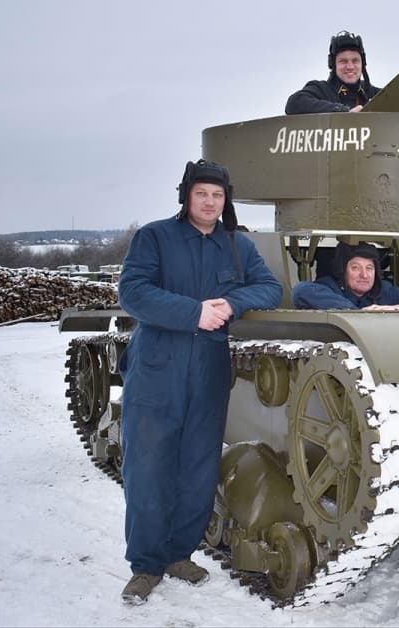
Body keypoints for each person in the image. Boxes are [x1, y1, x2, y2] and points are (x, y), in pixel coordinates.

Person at [116, 159, 283, 605]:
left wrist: (230, 303)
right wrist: (194, 313)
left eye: (218, 195)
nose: (209, 202)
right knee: (148, 468)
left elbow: (270, 288)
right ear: (186, 196)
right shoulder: (155, 237)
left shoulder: (236, 245)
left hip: (208, 371)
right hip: (157, 368)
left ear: (225, 201)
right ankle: (146, 565)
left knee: (197, 467)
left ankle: (178, 554)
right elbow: (132, 291)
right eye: (201, 193)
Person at [292, 241, 399, 315]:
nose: (364, 275)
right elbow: (301, 291)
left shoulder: (384, 291)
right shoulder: (329, 288)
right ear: (343, 271)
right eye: (355, 267)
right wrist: (359, 314)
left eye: (369, 268)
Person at [284, 30, 381, 114]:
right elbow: (294, 103)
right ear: (333, 65)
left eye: (355, 61)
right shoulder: (322, 89)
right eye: (343, 61)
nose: (350, 67)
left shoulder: (370, 92)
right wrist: (343, 112)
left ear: (362, 64)